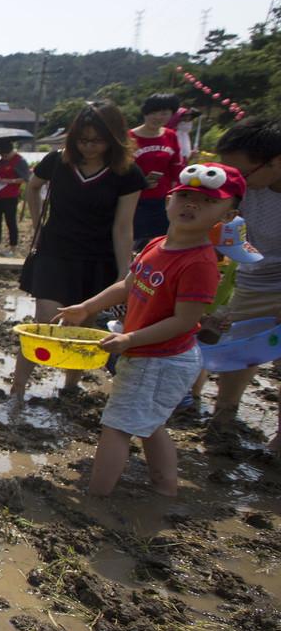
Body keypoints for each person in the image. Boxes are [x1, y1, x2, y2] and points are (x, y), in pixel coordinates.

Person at [56, 163, 244, 496]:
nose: (191, 205)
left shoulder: (199, 262)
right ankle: (165, 488)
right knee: (150, 424)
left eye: (206, 202)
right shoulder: (157, 244)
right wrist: (87, 307)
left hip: (160, 358)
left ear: (227, 216)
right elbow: (127, 285)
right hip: (149, 354)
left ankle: (96, 498)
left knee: (115, 427)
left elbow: (185, 321)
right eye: (185, 196)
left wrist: (130, 338)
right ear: (168, 200)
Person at [10, 101, 145, 406]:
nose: (89, 147)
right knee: (44, 320)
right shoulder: (57, 161)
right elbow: (33, 188)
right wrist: (37, 225)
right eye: (83, 140)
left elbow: (124, 227)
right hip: (55, 252)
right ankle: (17, 387)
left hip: (98, 258)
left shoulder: (127, 173)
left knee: (85, 323)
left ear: (113, 138)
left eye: (97, 140)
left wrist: (125, 274)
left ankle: (71, 385)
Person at [209, 118, 281, 448]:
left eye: (242, 173)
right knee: (239, 350)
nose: (236, 181)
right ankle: (223, 419)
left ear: (275, 162)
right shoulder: (244, 191)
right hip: (255, 281)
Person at [130, 93, 185, 245]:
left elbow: (176, 168)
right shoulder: (129, 138)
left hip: (164, 200)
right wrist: (141, 181)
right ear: (145, 112)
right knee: (136, 242)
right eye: (153, 112)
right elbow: (120, 171)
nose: (158, 117)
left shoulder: (170, 136)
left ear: (171, 115)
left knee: (161, 242)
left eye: (164, 113)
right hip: (135, 201)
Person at [0, 141, 29, 255]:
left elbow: (25, 178)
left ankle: (13, 248)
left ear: (11, 151)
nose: (4, 157)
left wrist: (9, 181)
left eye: (6, 155)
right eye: (2, 155)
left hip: (10, 196)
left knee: (10, 222)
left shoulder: (20, 161)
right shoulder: (1, 161)